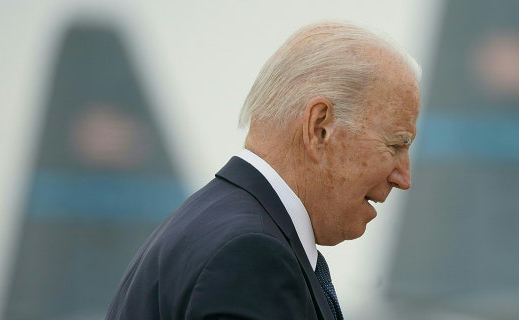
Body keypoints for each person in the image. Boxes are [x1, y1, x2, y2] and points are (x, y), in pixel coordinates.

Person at [106, 20, 421, 320]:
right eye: (395, 145)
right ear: (320, 127)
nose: (403, 178)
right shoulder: (251, 256)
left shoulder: (213, 229)